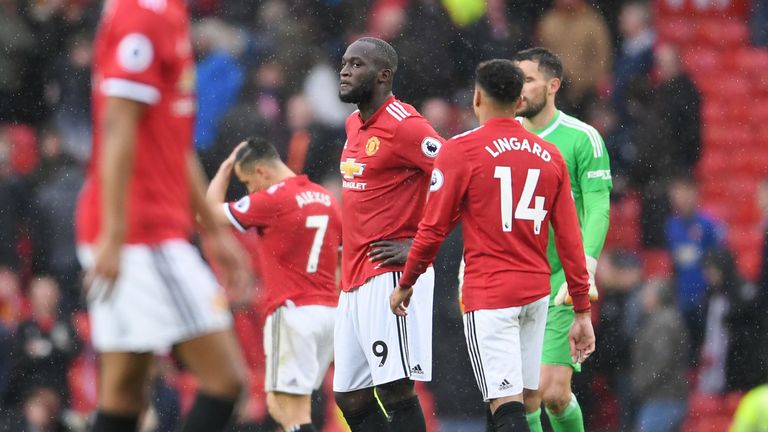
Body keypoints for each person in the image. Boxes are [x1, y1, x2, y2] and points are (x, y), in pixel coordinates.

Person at [391, 59, 596, 432]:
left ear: (477, 97)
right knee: (522, 400)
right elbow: (570, 239)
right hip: (537, 295)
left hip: (490, 295)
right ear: (520, 100)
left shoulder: (460, 150)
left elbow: (434, 226)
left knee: (505, 405)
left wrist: (407, 281)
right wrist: (581, 309)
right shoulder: (549, 155)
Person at [75, 1, 251, 431]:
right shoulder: (145, 14)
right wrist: (115, 236)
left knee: (125, 394)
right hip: (140, 235)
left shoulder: (167, 12)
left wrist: (215, 233)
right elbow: (118, 122)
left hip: (133, 228)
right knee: (226, 380)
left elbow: (174, 143)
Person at [333, 37, 444, 432]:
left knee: (395, 388)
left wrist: (420, 247)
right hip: (354, 276)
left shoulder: (407, 126)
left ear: (384, 75)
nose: (344, 71)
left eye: (356, 65)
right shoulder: (353, 124)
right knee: (349, 395)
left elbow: (456, 179)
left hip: (390, 274)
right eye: (344, 63)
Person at [206, 137, 342, 432]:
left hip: (293, 313)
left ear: (262, 172)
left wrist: (225, 169)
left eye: (247, 182)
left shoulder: (273, 199)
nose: (249, 191)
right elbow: (342, 258)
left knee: (289, 412)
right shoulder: (326, 199)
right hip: (329, 315)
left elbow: (206, 216)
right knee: (288, 406)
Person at [511, 47, 611, 432]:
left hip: (560, 280)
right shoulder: (502, 139)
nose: (521, 89)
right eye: (517, 80)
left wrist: (585, 265)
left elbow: (599, 206)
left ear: (553, 85)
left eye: (530, 80)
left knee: (551, 391)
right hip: (514, 274)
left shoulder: (582, 139)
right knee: (522, 396)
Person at [631, 280, 689, 432]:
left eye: (647, 294)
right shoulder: (665, 319)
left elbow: (661, 361)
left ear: (656, 298)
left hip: (663, 397)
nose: (642, 298)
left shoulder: (663, 323)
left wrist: (641, 384)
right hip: (665, 395)